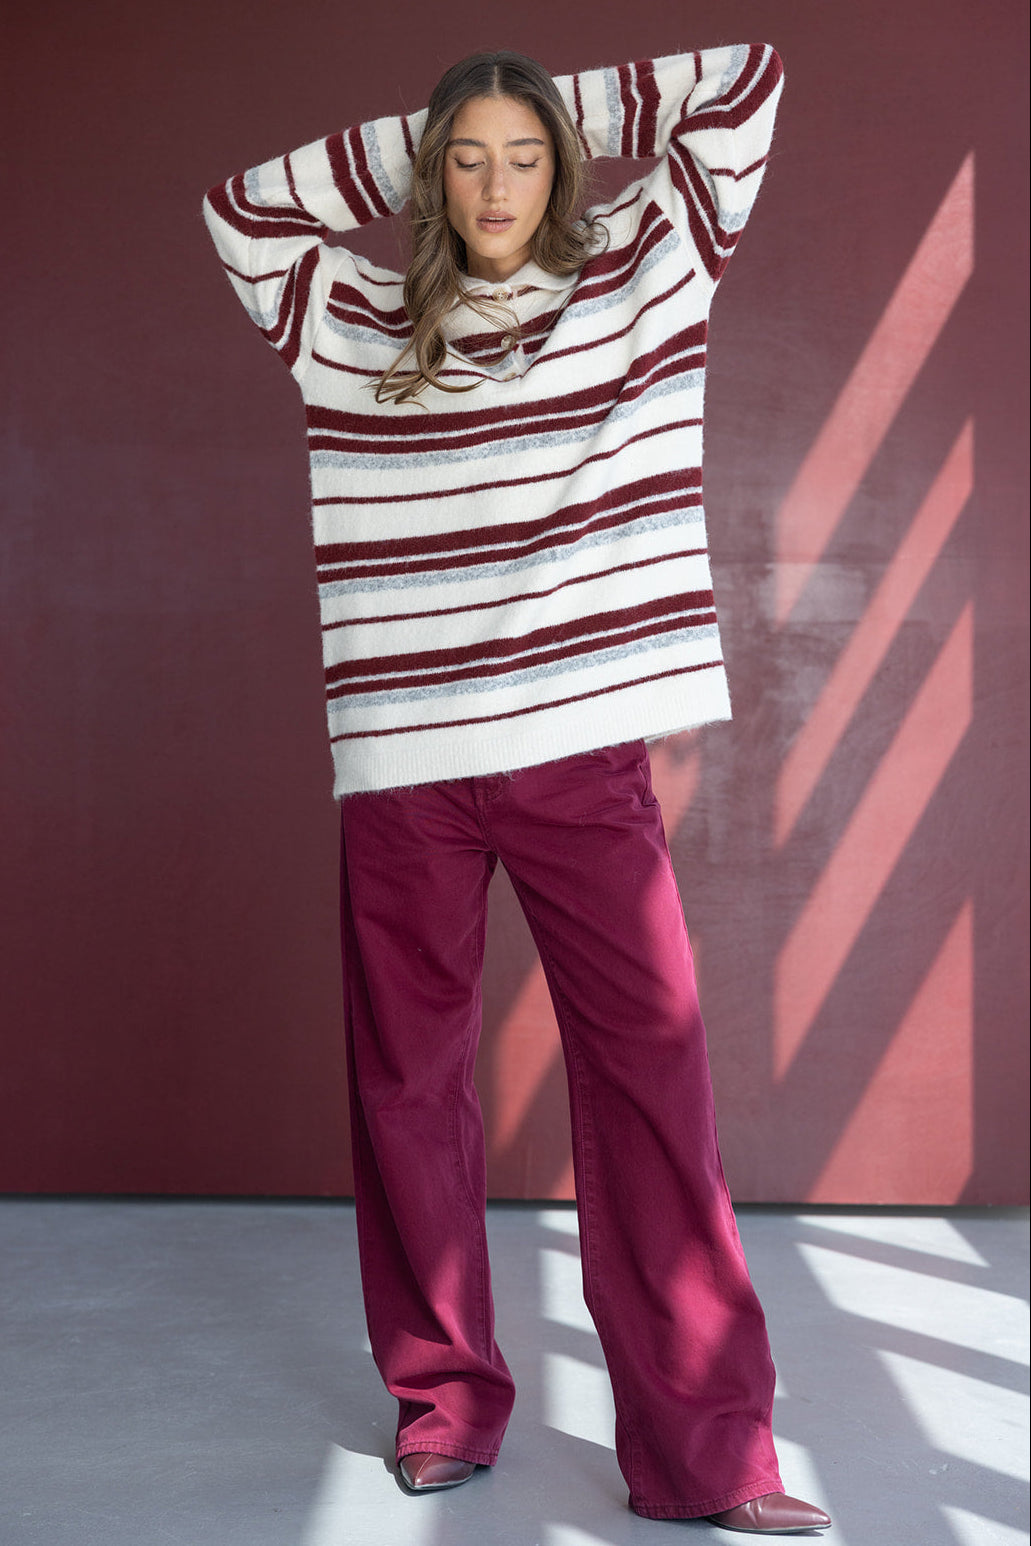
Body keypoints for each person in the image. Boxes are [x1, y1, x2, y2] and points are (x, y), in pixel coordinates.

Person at [204, 43, 831, 1535]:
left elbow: (747, 84)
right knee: (408, 1086)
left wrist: (547, 107)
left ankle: (712, 1455)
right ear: (431, 175)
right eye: (468, 160)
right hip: (405, 766)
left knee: (655, 1080)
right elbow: (240, 207)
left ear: (566, 163)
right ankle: (443, 1400)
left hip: (578, 754)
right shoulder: (346, 315)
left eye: (525, 156)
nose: (496, 186)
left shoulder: (643, 275)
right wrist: (443, 129)